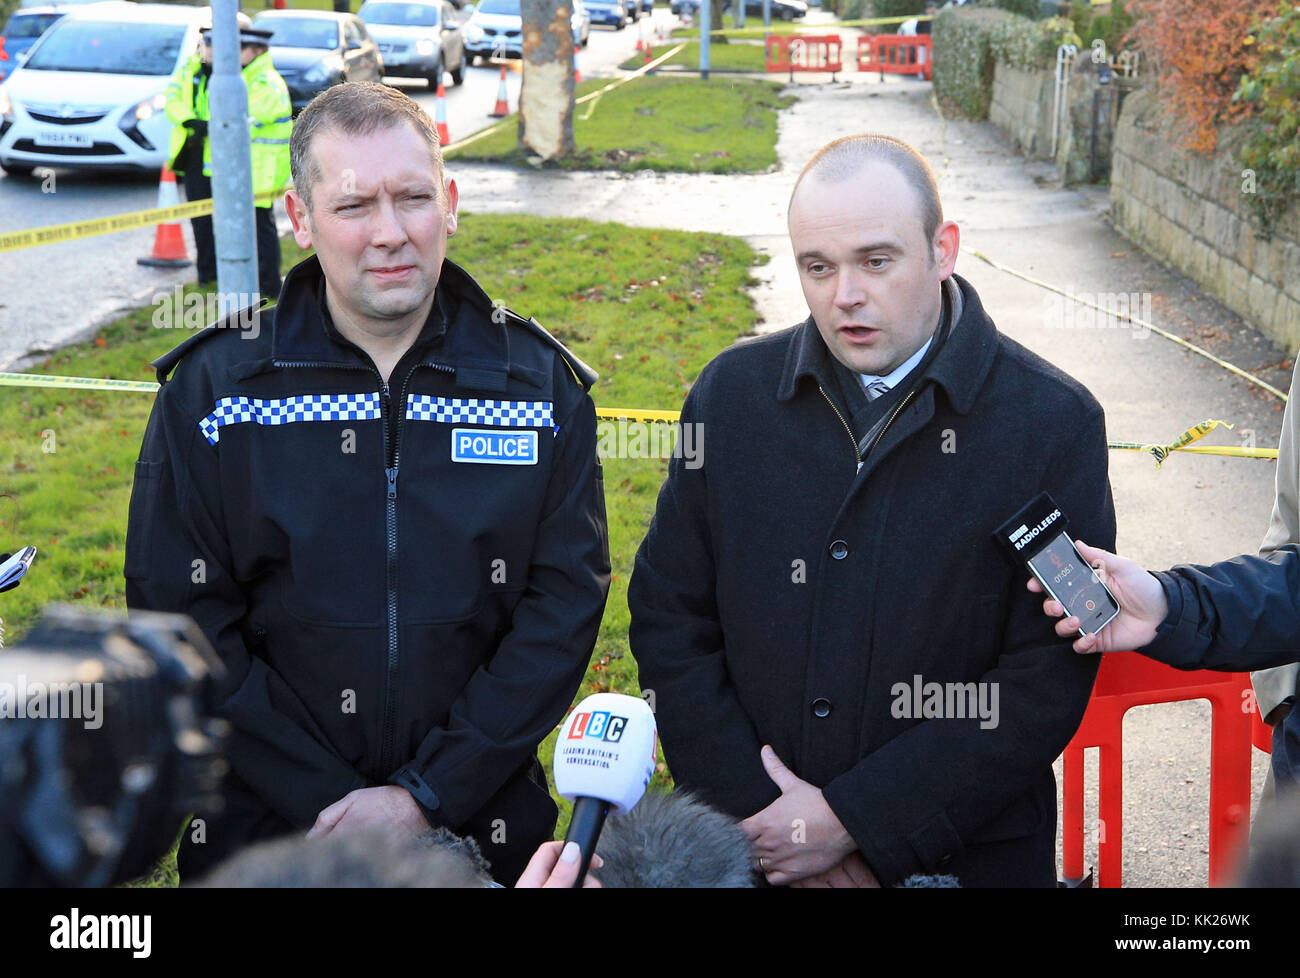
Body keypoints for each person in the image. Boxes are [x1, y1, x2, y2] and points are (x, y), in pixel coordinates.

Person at [125, 81, 610, 885]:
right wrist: (333, 803)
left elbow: (560, 612)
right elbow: (180, 619)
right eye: (353, 207)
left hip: (482, 826)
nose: (391, 234)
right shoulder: (215, 393)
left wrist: (426, 795)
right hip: (266, 837)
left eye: (413, 198)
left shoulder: (539, 391)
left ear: (449, 202)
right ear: (299, 217)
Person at [628, 133, 1116, 888]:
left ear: (944, 249)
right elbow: (669, 616)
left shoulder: (1054, 423)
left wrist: (863, 824)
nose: (843, 295)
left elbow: (1047, 673)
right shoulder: (729, 399)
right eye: (817, 268)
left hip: (968, 862)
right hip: (748, 855)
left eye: (876, 261)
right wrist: (774, 822)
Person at [164, 26, 293, 300]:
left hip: (257, 169)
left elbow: (239, 121)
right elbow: (173, 98)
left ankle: (269, 285)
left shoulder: (261, 81)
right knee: (210, 220)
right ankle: (218, 278)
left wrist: (212, 125)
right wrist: (191, 121)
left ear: (256, 51)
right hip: (209, 157)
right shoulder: (211, 73)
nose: (228, 54)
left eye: (239, 49)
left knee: (258, 226)